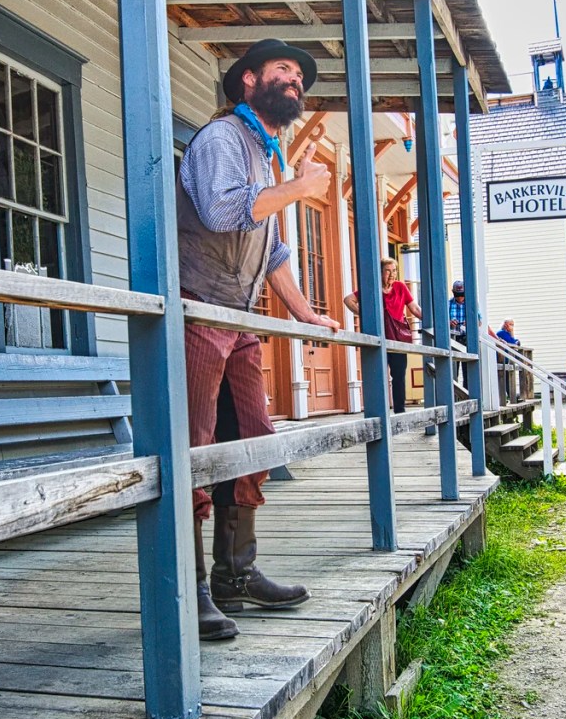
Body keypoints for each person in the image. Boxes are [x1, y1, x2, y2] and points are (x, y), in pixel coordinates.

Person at [177, 38, 341, 640]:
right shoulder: (222, 138)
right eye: (283, 69)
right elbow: (222, 214)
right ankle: (188, 588)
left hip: (240, 319)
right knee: (194, 447)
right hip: (200, 308)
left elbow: (270, 253)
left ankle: (235, 573)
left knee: (253, 439)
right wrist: (298, 188)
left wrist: (305, 314)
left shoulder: (265, 153)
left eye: (300, 75)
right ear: (249, 79)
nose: (294, 80)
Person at [343, 258, 422, 414]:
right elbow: (348, 300)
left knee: (399, 376)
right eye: (387, 271)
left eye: (394, 271)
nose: (392, 274)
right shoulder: (372, 288)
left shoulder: (400, 287)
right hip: (377, 338)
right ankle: (379, 412)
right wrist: (366, 314)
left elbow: (415, 308)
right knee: (377, 376)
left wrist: (432, 322)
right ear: (380, 272)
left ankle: (399, 412)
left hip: (397, 339)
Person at [497, 318, 520, 402]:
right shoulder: (502, 333)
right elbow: (512, 343)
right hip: (502, 359)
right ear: (506, 325)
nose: (512, 327)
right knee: (505, 378)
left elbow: (514, 342)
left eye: (513, 325)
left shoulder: (507, 333)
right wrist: (514, 337)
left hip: (507, 358)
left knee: (507, 378)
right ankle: (507, 397)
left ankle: (511, 396)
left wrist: (516, 340)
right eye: (511, 324)